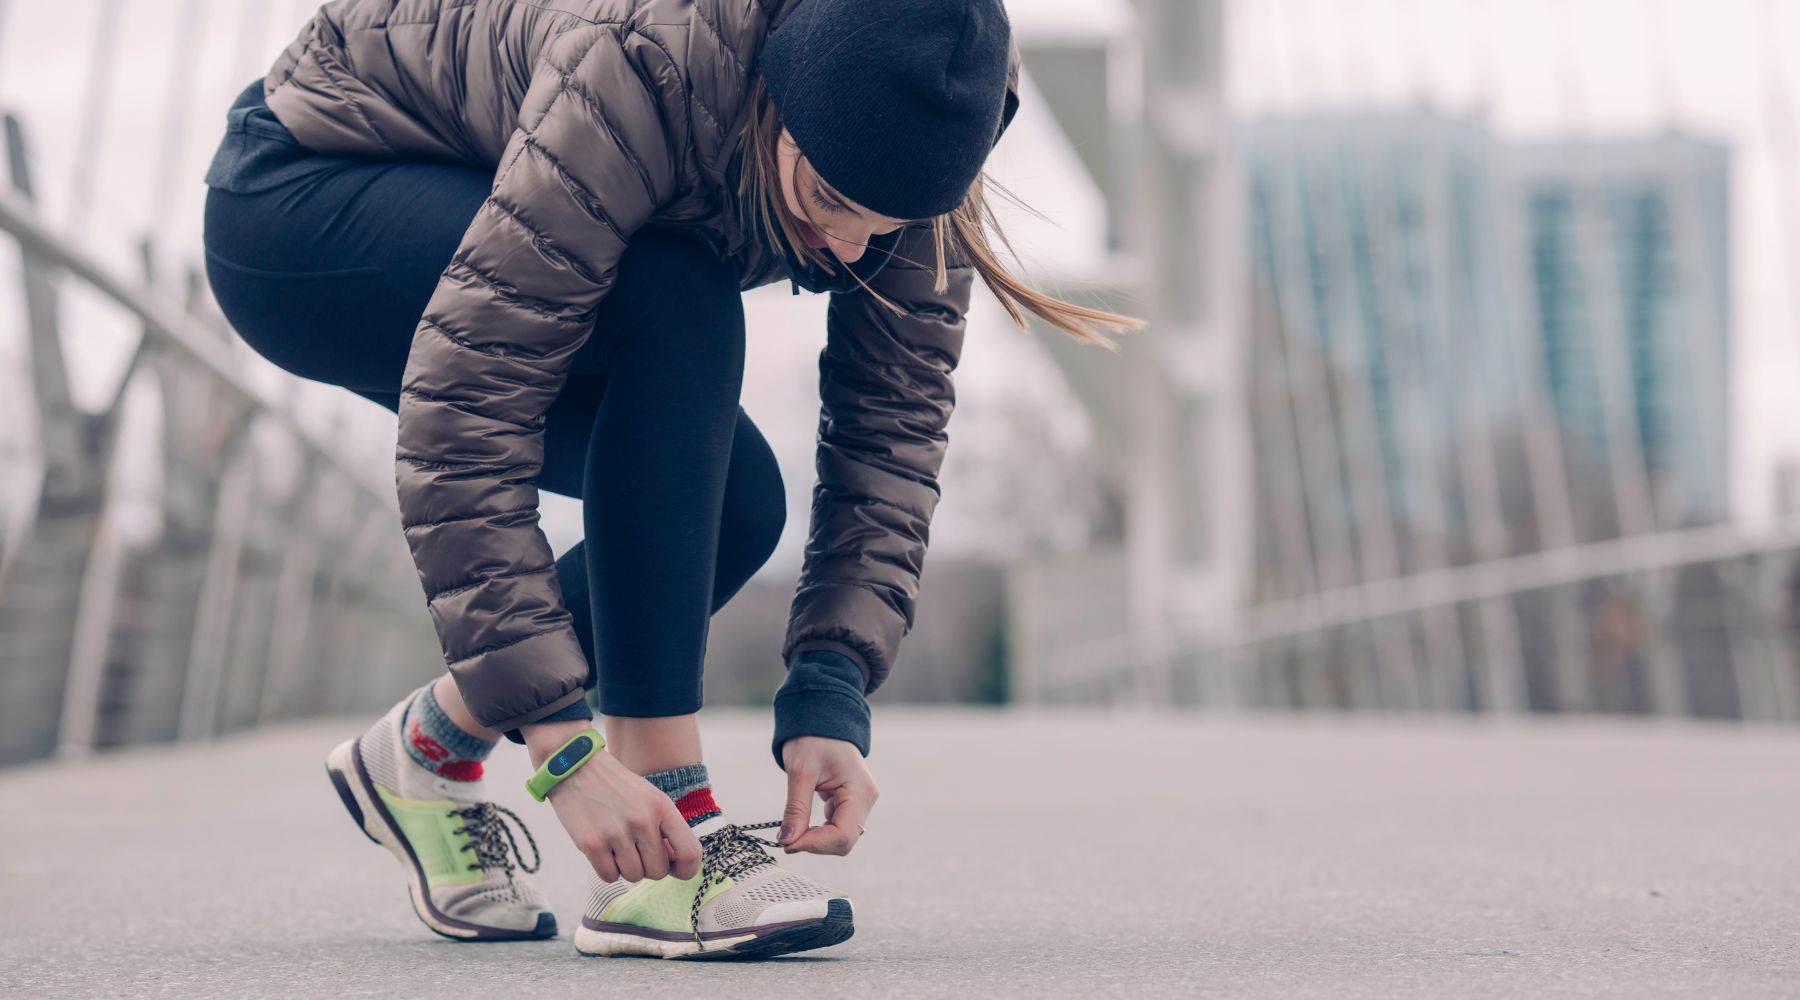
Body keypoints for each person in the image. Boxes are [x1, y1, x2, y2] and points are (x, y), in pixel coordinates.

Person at [200, 0, 1136, 960]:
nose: (855, 248)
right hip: (304, 197)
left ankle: (427, 748)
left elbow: (890, 428)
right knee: (675, 295)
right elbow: (468, 418)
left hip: (490, 192)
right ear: (780, 104)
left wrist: (830, 691)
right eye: (833, 203)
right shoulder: (650, 60)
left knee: (731, 501)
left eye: (887, 225)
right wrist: (564, 747)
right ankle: (665, 850)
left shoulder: (940, 114)